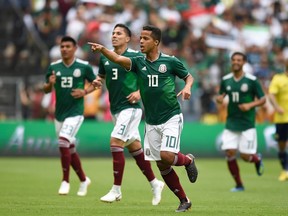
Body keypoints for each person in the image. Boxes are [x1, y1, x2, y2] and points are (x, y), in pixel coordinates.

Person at [89, 25, 198, 212]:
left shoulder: (170, 61)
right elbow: (117, 58)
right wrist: (103, 49)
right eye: (140, 38)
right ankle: (184, 200)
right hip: (151, 120)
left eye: (145, 38)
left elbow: (189, 77)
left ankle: (188, 161)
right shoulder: (138, 61)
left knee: (166, 156)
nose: (141, 41)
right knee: (162, 164)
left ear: (156, 42)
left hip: (171, 115)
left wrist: (187, 87)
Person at [93, 23, 164, 205]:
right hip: (116, 109)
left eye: (119, 33)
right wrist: (97, 81)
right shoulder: (106, 57)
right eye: (113, 33)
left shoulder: (136, 57)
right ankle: (155, 183)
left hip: (131, 108)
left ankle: (116, 190)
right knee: (135, 149)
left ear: (127, 38)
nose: (114, 36)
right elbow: (101, 76)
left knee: (116, 140)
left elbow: (150, 78)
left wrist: (140, 92)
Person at [43, 36, 99, 196]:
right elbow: (46, 89)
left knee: (63, 141)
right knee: (69, 147)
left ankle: (65, 181)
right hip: (59, 113)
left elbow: (97, 83)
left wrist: (85, 92)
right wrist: (49, 84)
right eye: (62, 46)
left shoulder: (83, 66)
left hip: (76, 112)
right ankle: (83, 179)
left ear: (75, 49)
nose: (65, 49)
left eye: (68, 46)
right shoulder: (54, 67)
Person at [216, 51, 266, 192]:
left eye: (239, 60)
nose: (236, 62)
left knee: (245, 156)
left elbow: (263, 99)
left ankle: (256, 159)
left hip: (247, 123)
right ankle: (239, 184)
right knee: (229, 153)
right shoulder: (226, 79)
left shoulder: (252, 80)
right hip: (231, 122)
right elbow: (220, 96)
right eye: (234, 60)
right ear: (231, 62)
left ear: (244, 62)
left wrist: (250, 105)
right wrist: (219, 99)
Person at [268, 59, 288, 181]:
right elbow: (271, 95)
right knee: (281, 145)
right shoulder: (278, 78)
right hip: (282, 118)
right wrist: (276, 107)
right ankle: (284, 170)